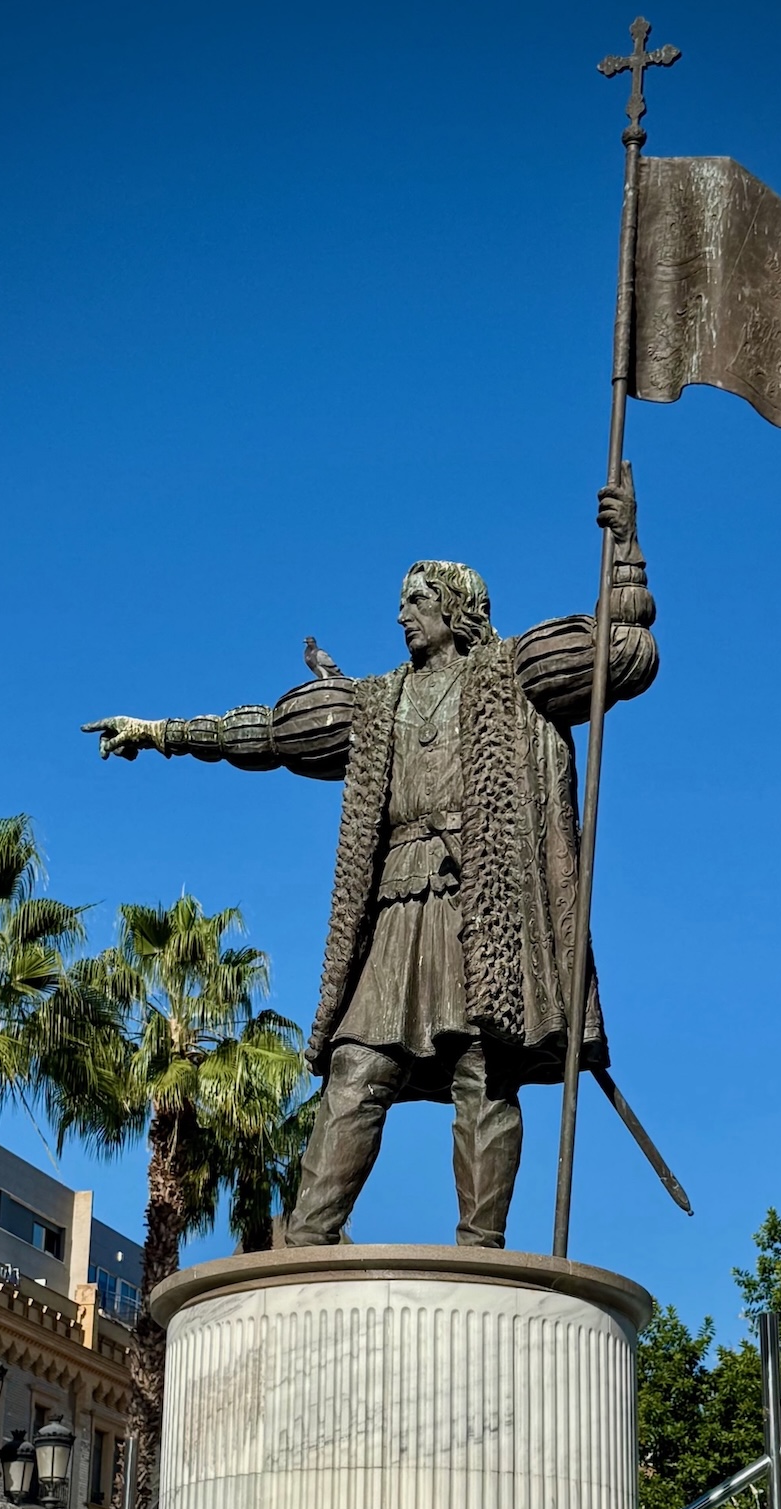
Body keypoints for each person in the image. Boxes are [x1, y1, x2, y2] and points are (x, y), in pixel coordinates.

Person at [84, 472, 658, 1248]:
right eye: (401, 603)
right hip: (394, 908)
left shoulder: (514, 672)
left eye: (415, 601)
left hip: (483, 906)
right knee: (356, 1068)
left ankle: (480, 1251)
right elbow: (271, 734)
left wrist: (625, 550)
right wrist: (160, 733)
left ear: (454, 607)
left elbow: (624, 652)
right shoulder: (377, 701)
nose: (400, 615)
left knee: (484, 1074)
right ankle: (307, 1241)